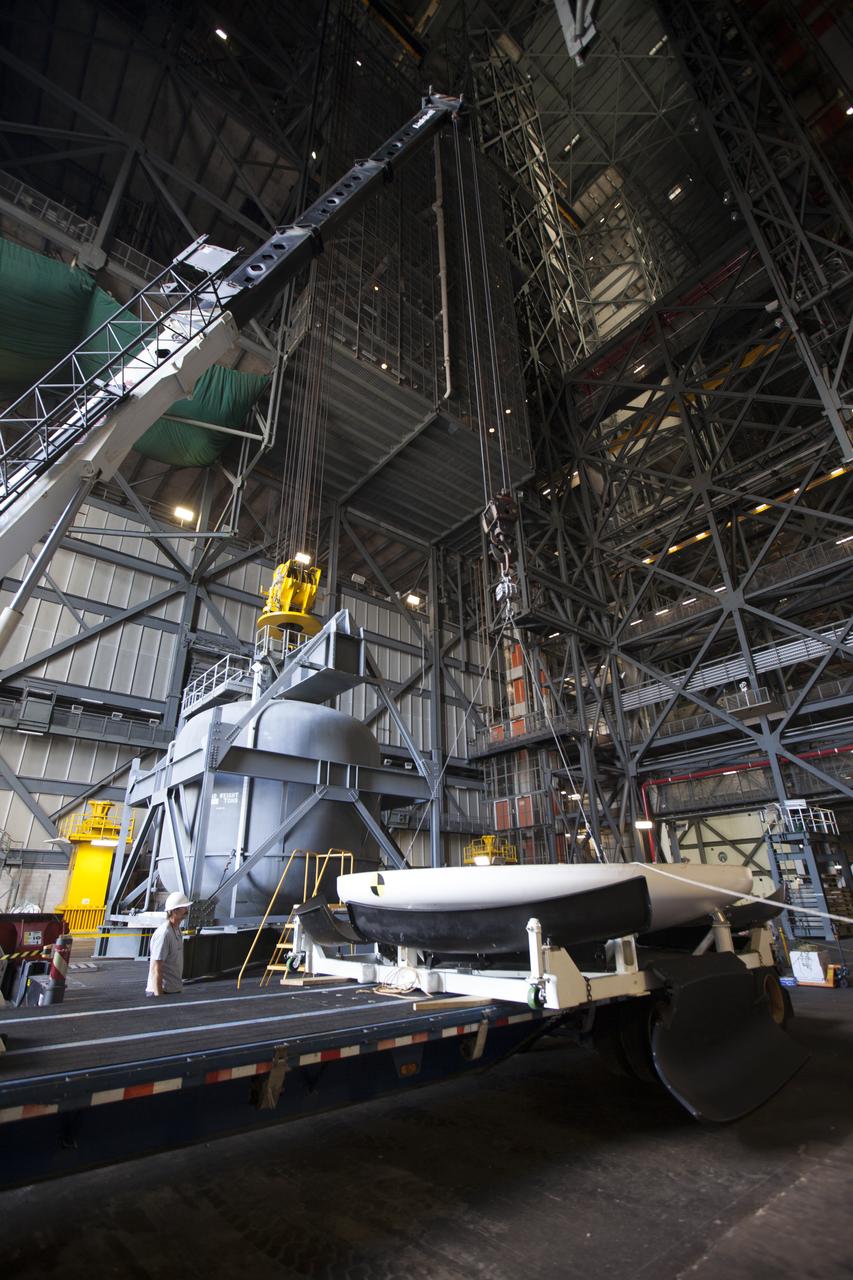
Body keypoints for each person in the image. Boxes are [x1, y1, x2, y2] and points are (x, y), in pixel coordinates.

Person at [145, 891, 191, 997]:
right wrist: (159, 997)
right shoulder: (164, 934)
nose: (187, 910)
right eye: (184, 907)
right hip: (161, 992)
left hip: (173, 989)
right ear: (175, 910)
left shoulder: (177, 930)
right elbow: (156, 968)